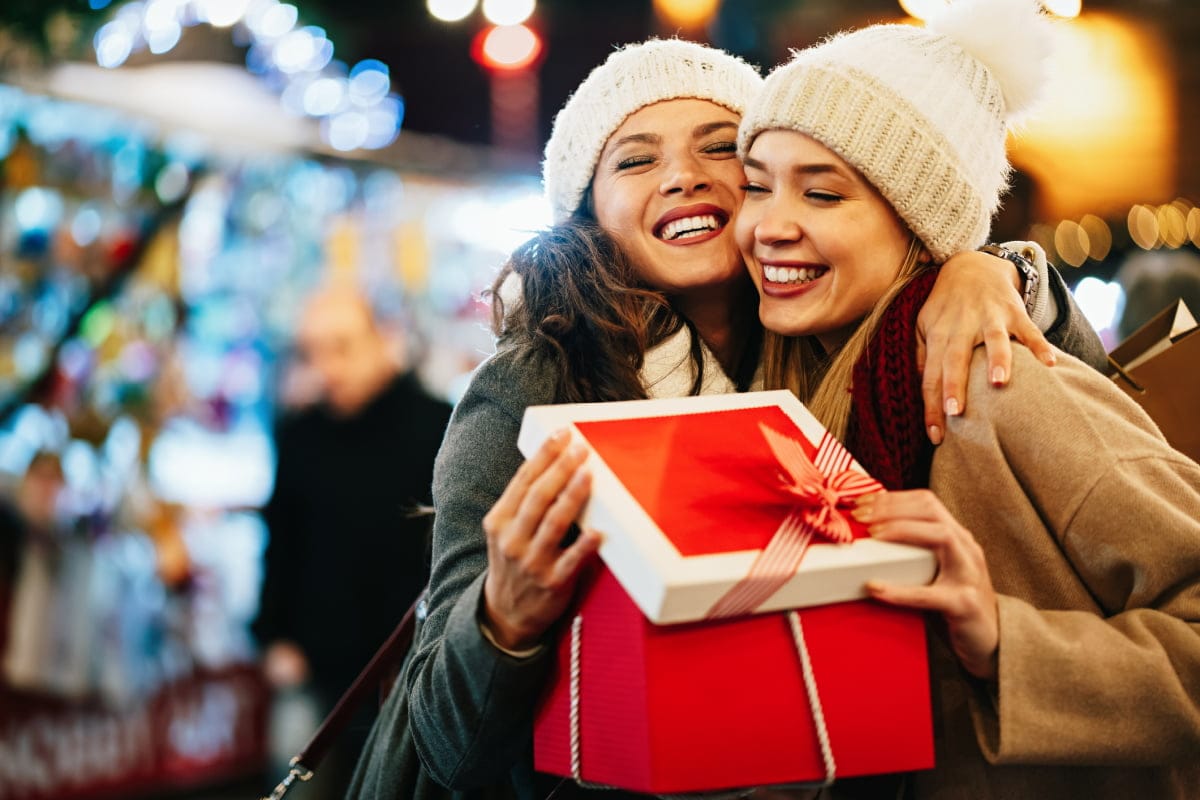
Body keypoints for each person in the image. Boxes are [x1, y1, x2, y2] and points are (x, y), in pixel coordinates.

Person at [351, 39, 1107, 800]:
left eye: (722, 150)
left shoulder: (830, 337)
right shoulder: (533, 386)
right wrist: (501, 622)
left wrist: (995, 272)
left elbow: (1082, 397)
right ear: (587, 211)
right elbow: (443, 743)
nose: (684, 176)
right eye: (635, 161)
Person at [732, 0, 1200, 796]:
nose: (768, 226)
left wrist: (1004, 644)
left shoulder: (997, 386)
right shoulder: (783, 392)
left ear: (920, 224)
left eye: (822, 195)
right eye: (755, 185)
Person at [253, 285, 452, 797]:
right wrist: (274, 636)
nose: (327, 367)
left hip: (410, 670)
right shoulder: (300, 433)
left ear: (384, 337)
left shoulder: (439, 425)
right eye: (312, 351)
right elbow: (281, 540)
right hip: (313, 663)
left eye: (341, 347)